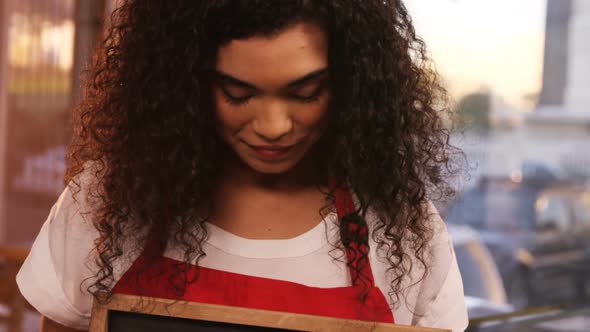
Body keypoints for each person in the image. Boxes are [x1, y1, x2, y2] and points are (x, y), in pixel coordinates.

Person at [16, 1, 468, 331]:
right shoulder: (109, 201)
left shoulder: (404, 230)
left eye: (306, 92)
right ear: (186, 84)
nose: (272, 126)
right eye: (237, 92)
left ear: (352, 86)